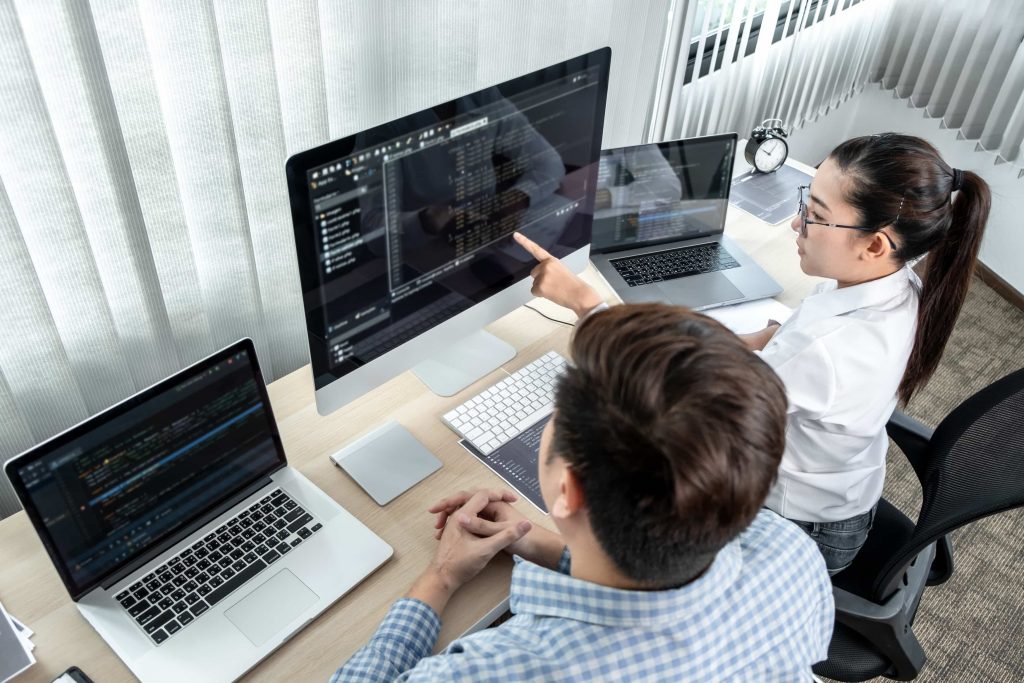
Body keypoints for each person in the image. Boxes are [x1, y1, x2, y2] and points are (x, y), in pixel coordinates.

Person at [514, 133, 991, 575]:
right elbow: (791, 339)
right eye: (805, 199)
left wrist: (584, 302)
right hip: (841, 491)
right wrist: (752, 342)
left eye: (816, 214)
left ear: (874, 243)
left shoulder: (827, 349)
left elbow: (673, 398)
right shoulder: (897, 283)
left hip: (803, 534)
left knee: (628, 504)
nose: (795, 222)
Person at [331, 304, 832, 682]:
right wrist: (532, 542)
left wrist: (440, 578)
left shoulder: (501, 669)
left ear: (566, 488)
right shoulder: (790, 552)